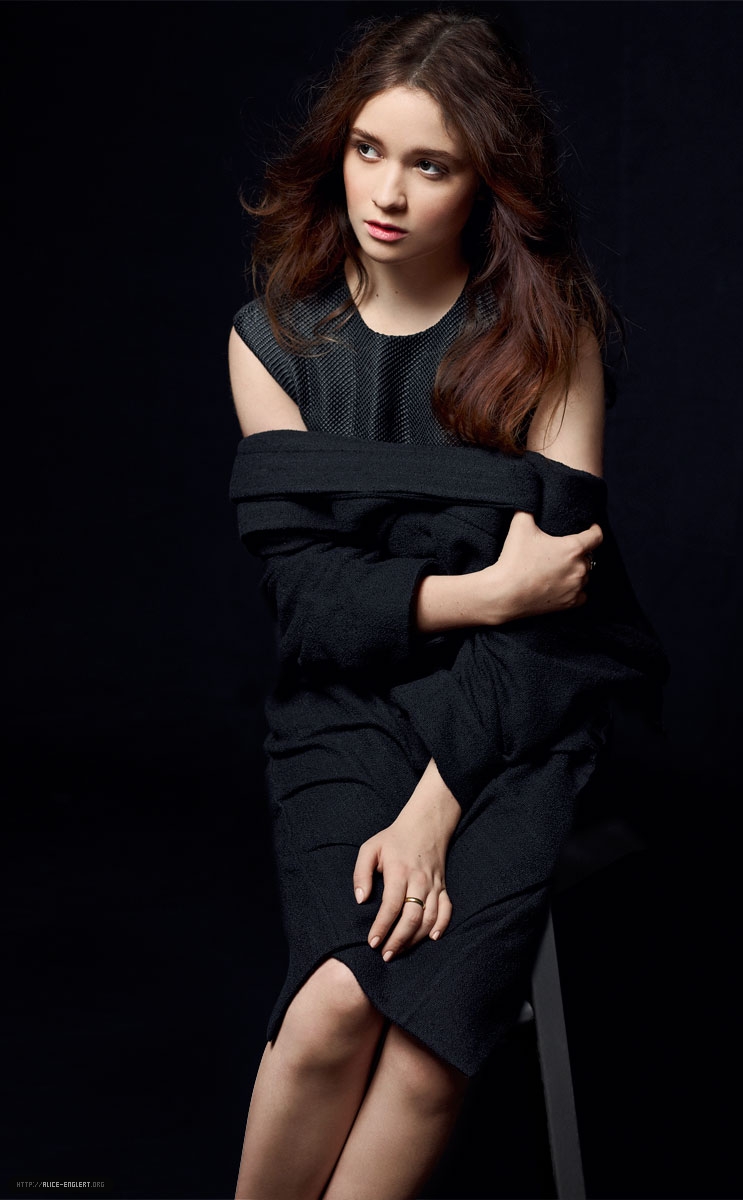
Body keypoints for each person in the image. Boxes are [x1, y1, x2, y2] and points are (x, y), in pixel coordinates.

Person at [227, 11, 643, 1199]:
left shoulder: (549, 337)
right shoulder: (273, 341)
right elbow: (310, 605)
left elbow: (558, 616)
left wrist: (432, 808)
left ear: (486, 182)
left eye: (430, 164)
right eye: (368, 150)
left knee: (423, 1051)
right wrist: (485, 590)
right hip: (344, 705)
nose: (388, 193)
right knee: (331, 1007)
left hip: (520, 716)